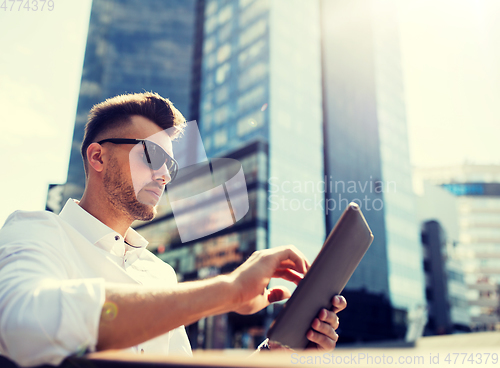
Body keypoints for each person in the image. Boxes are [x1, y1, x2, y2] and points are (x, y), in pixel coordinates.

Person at [0, 92, 346, 367]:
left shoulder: (159, 273)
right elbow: (24, 325)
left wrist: (278, 352)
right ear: (98, 157)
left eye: (170, 164)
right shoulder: (36, 230)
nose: (164, 175)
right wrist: (231, 290)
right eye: (151, 156)